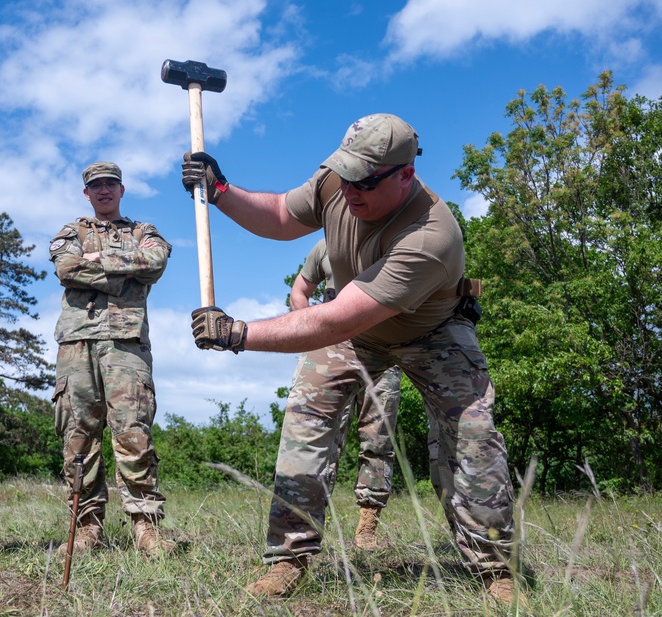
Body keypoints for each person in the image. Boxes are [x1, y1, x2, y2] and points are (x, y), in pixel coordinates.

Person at [181, 114, 520, 604]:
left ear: (405, 175)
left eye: (365, 180)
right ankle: (288, 560)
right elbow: (280, 214)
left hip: (431, 331)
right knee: (306, 416)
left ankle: (494, 569)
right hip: (356, 331)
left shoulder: (431, 236)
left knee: (472, 436)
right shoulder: (339, 180)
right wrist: (221, 191)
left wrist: (237, 333)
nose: (350, 189)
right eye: (344, 174)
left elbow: (335, 320)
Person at [49, 161, 175, 558]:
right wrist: (124, 275)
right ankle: (87, 526)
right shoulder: (72, 231)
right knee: (77, 434)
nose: (104, 190)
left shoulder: (144, 232)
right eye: (96, 186)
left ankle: (146, 526)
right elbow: (66, 269)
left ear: (122, 190)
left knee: (132, 430)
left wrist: (98, 266)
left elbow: (155, 262)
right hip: (78, 342)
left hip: (126, 342)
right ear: (87, 193)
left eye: (111, 184)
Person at [289, 237, 402, 552]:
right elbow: (300, 289)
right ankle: (307, 528)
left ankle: (367, 528)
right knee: (319, 439)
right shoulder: (325, 246)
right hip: (332, 349)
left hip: (384, 348)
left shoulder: (392, 237)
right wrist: (308, 327)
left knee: (379, 440)